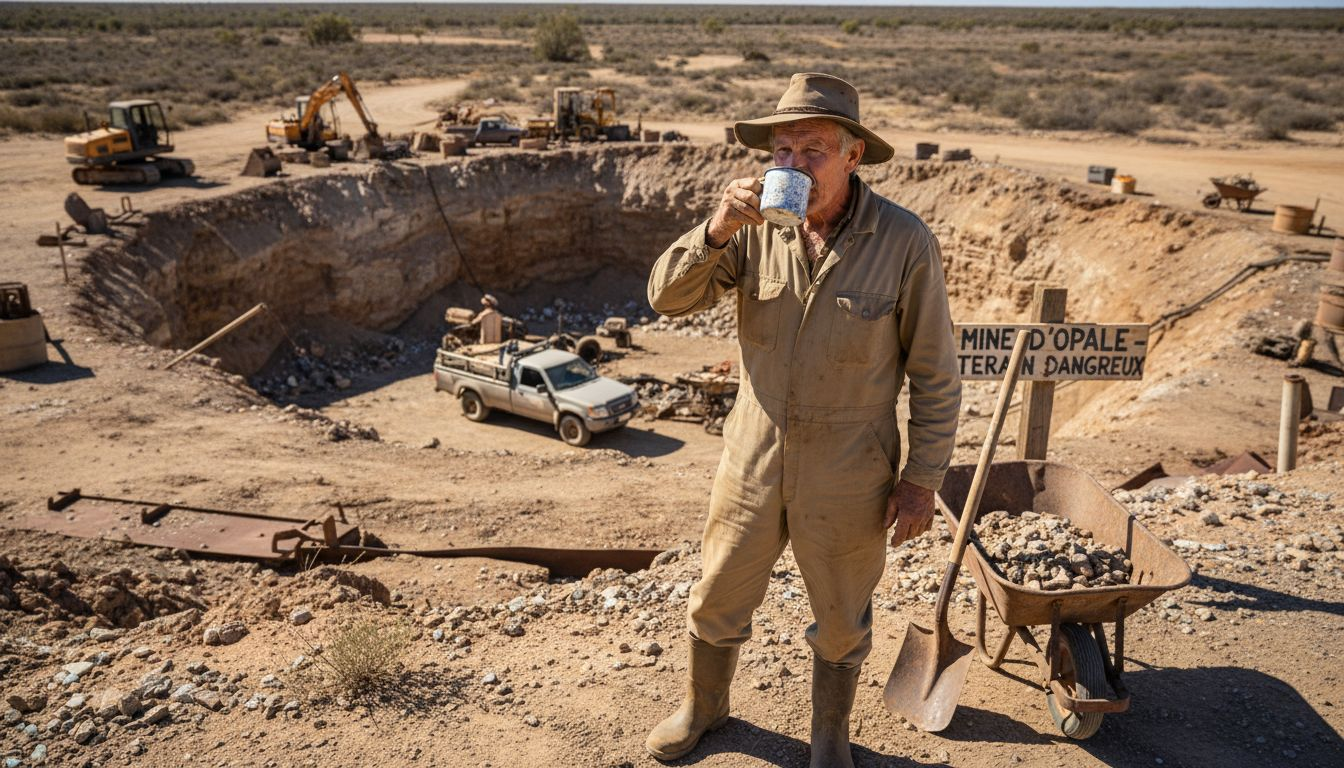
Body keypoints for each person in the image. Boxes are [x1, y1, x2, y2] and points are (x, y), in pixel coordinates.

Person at [644, 73, 962, 767]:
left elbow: (935, 373)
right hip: (752, 455)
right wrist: (715, 229)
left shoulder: (905, 241)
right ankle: (704, 708)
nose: (790, 164)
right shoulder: (751, 230)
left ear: (853, 156)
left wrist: (920, 481)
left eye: (811, 149)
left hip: (853, 468)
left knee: (844, 618)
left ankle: (829, 738)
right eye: (781, 149)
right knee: (717, 596)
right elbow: (667, 299)